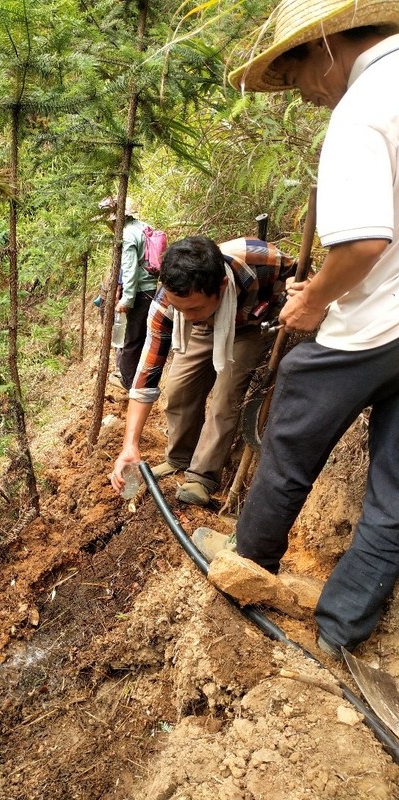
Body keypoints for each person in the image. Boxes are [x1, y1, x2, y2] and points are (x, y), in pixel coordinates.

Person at [194, 0, 399, 659]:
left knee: (288, 436)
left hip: (375, 324)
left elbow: (365, 242)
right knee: (394, 492)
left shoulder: (362, 108)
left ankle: (247, 563)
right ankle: (343, 628)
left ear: (327, 48)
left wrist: (313, 305)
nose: (304, 95)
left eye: (297, 72)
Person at [110, 235, 297, 505]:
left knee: (225, 396)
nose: (185, 314)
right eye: (179, 307)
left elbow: (302, 273)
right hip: (202, 328)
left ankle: (202, 477)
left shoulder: (260, 260)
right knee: (179, 389)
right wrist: (131, 445)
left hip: (248, 325)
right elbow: (146, 376)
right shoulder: (169, 308)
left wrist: (299, 291)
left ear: (221, 286)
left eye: (193, 306)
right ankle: (178, 459)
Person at [97, 197, 159, 391]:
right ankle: (136, 379)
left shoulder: (127, 235)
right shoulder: (142, 227)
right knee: (138, 336)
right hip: (149, 289)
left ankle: (129, 383)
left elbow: (130, 269)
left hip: (139, 293)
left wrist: (127, 298)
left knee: (131, 339)